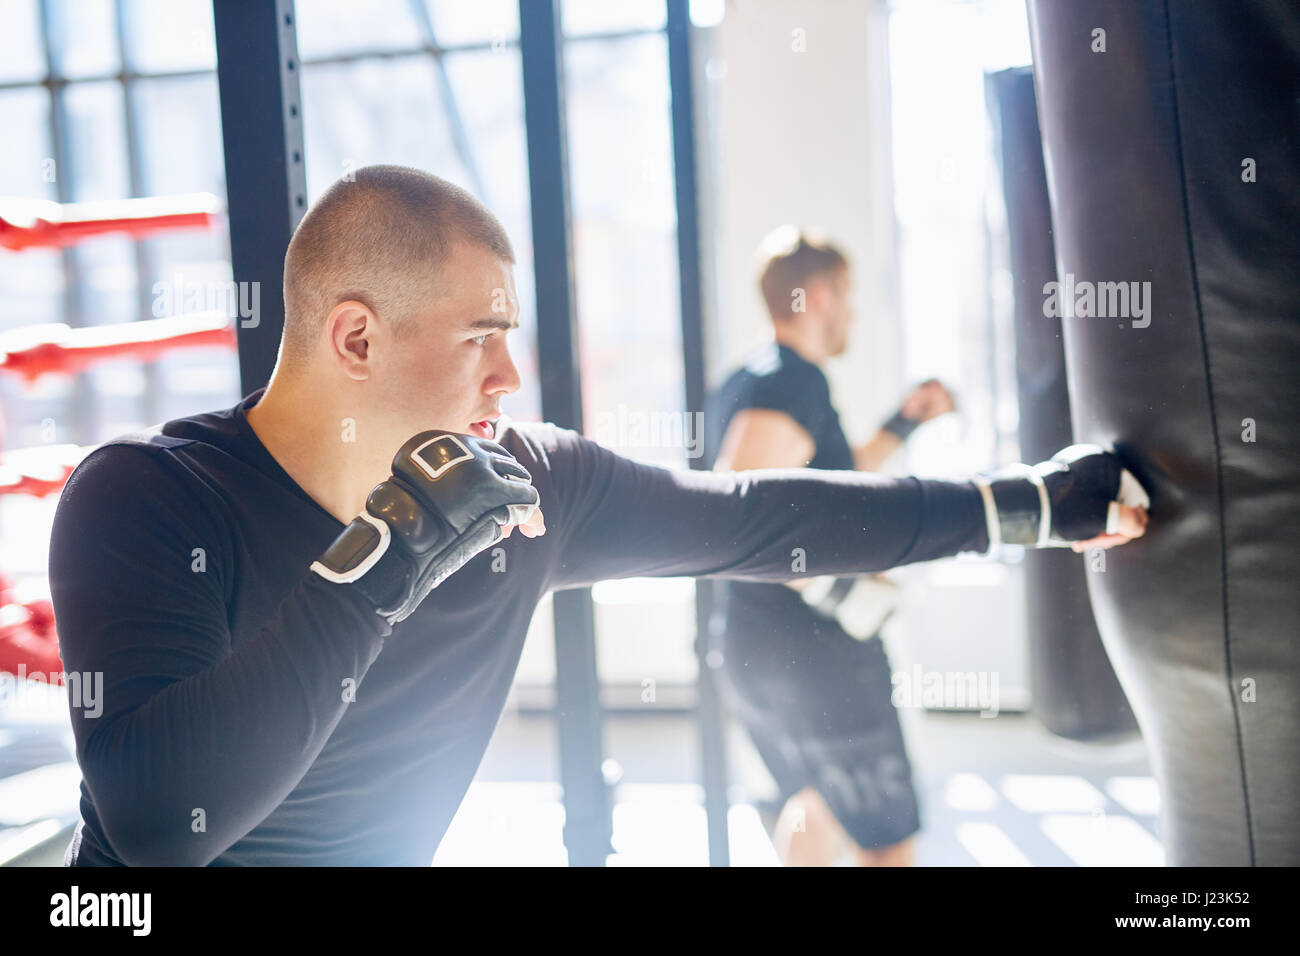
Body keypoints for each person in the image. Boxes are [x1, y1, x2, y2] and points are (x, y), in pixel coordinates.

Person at [49, 166, 1148, 866]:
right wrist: (394, 553)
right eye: (483, 335)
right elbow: (157, 829)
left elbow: (755, 515)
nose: (510, 374)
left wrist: (1025, 504)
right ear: (355, 338)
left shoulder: (527, 484)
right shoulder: (145, 499)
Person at [704, 226, 956, 867]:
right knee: (885, 838)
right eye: (847, 295)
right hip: (814, 658)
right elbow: (738, 505)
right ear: (817, 299)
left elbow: (832, 477)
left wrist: (906, 420)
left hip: (757, 649)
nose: (854, 312)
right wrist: (840, 591)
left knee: (813, 804)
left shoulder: (752, 378)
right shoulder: (793, 384)